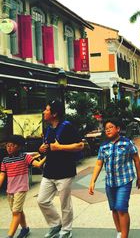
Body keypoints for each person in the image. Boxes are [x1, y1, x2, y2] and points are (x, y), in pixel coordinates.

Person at [89, 118, 140, 238]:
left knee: (121, 209)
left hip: (124, 181)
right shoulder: (104, 146)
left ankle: (124, 235)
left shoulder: (127, 143)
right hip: (110, 183)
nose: (108, 130)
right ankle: (119, 232)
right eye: (106, 128)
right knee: (114, 208)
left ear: (118, 129)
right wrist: (93, 181)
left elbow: (136, 159)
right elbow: (99, 163)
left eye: (111, 127)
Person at [37, 100, 84, 238]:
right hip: (49, 170)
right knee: (42, 200)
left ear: (54, 113)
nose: (44, 112)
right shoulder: (48, 129)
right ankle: (55, 224)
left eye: (46, 110)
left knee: (65, 203)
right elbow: (47, 147)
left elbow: (80, 145)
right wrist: (41, 149)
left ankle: (67, 229)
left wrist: (60, 147)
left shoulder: (67, 126)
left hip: (65, 171)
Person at [0, 135, 46, 238]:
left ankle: (10, 235)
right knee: (18, 211)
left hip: (21, 188)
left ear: (19, 147)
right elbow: (2, 174)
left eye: (12, 145)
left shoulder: (25, 157)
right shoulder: (5, 160)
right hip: (10, 190)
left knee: (15, 213)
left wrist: (47, 156)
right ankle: (25, 229)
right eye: (7, 146)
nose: (9, 148)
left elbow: (38, 164)